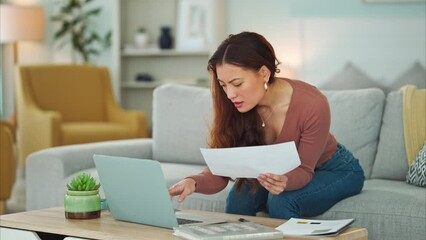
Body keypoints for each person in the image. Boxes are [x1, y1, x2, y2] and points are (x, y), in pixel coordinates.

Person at [168, 31, 365, 219]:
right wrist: (193, 181)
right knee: (238, 199)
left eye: (237, 83)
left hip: (333, 169)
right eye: (223, 85)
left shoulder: (313, 103)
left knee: (281, 200)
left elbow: (304, 170)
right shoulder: (236, 107)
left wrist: (284, 181)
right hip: (275, 172)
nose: (229, 94)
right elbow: (221, 170)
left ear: (263, 73)